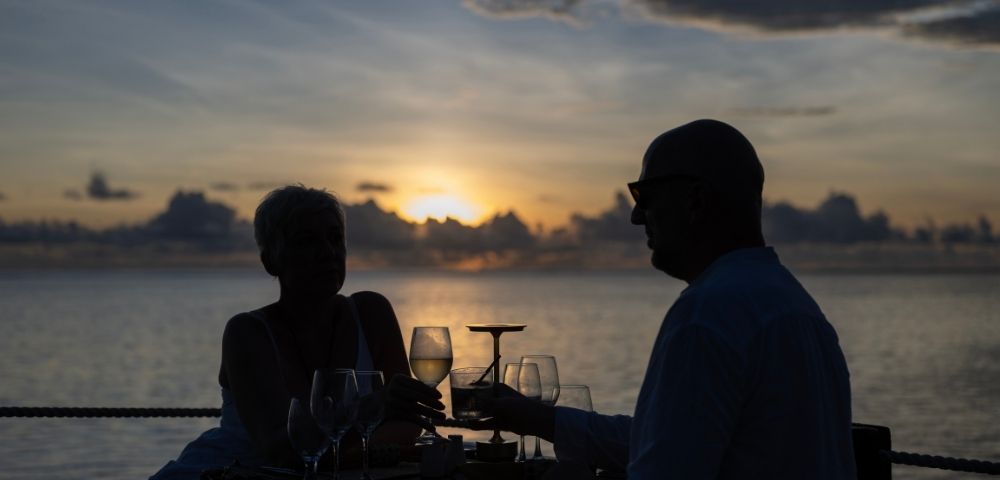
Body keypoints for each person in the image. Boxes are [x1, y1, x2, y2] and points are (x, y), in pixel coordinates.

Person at [476, 119, 856, 479]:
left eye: (645, 195)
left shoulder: (707, 314)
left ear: (695, 200)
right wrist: (541, 420)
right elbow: (677, 440)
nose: (636, 216)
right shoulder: (795, 305)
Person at [152, 185, 444, 479]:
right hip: (232, 471)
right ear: (271, 261)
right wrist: (374, 410)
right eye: (307, 241)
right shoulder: (248, 333)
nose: (327, 252)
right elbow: (279, 449)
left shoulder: (371, 313)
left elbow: (407, 422)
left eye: (335, 238)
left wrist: (342, 458)